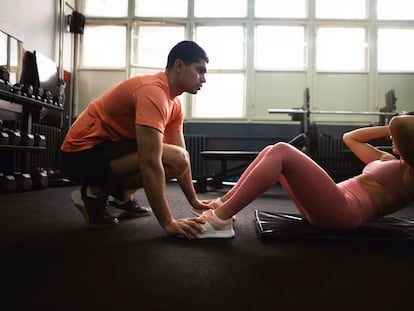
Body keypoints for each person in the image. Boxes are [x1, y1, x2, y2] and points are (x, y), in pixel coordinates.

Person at [61, 41, 209, 238]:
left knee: (177, 163)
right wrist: (168, 222)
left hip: (109, 149)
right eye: (200, 71)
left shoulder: (175, 104)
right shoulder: (153, 92)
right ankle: (92, 193)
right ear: (179, 66)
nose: (204, 79)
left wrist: (194, 201)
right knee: (168, 158)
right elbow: (150, 162)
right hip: (79, 155)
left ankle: (121, 198)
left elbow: (183, 159)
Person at [194, 112, 414, 239]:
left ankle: (220, 221)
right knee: (271, 149)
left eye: (398, 136)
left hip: (344, 212)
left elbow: (400, 123)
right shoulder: (386, 160)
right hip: (334, 202)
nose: (394, 137)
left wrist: (396, 126)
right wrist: (389, 130)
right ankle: (223, 203)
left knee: (281, 150)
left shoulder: (410, 172)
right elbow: (350, 138)